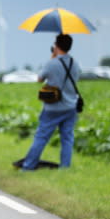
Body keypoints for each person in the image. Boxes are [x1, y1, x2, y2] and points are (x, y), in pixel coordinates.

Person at [22, 34, 81, 170]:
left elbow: (39, 79)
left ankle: (28, 166)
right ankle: (65, 167)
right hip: (70, 107)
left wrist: (53, 57)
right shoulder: (75, 63)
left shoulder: (51, 63)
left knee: (41, 137)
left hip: (52, 108)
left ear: (56, 46)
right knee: (67, 138)